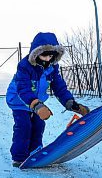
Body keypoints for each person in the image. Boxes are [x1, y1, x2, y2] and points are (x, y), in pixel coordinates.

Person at [6, 32, 90, 167]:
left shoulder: (52, 68)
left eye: (51, 56)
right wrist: (36, 105)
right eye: (44, 55)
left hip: (38, 101)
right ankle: (19, 157)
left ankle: (35, 151)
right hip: (20, 101)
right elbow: (23, 88)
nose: (47, 59)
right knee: (24, 126)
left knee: (39, 124)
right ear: (36, 53)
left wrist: (71, 103)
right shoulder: (25, 66)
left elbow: (59, 87)